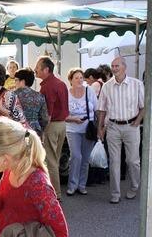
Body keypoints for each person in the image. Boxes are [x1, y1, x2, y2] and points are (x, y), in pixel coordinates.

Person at [96, 56, 145, 204]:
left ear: (124, 67)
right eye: (113, 66)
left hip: (132, 126)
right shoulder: (106, 86)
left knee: (133, 161)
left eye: (117, 66)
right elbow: (102, 109)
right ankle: (115, 193)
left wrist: (137, 122)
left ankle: (134, 187)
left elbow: (144, 107)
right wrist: (100, 127)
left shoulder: (136, 84)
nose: (114, 68)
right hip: (113, 127)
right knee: (114, 162)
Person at [35, 56, 69, 200]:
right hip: (62, 125)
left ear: (46, 70)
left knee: (51, 161)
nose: (35, 70)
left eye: (38, 68)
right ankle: (57, 192)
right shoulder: (61, 83)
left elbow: (47, 114)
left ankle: (56, 194)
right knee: (55, 158)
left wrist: (43, 130)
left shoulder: (47, 86)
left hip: (52, 125)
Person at [65, 68, 98, 196]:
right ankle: (72, 185)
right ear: (71, 80)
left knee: (85, 158)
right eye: (76, 78)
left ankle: (82, 185)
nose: (79, 80)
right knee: (76, 156)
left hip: (88, 129)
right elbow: (62, 114)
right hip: (72, 129)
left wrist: (100, 127)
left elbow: (97, 109)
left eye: (81, 77)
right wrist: (73, 119)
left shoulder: (89, 91)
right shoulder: (67, 93)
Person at [14, 68, 49, 136]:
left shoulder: (12, 95)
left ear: (22, 81)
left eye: (16, 80)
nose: (15, 83)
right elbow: (45, 118)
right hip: (35, 131)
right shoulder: (40, 96)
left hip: (18, 130)